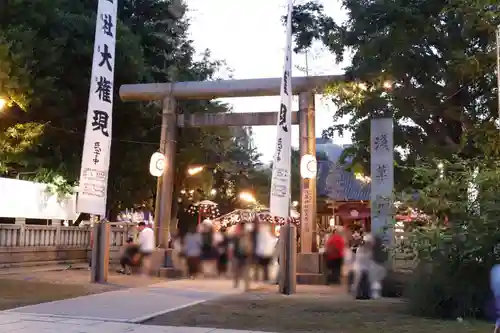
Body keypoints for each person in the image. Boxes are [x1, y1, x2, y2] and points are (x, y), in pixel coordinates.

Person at [231, 222, 253, 290]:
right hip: (239, 255)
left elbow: (250, 245)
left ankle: (245, 286)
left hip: (243, 255)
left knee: (244, 271)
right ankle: (238, 284)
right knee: (238, 271)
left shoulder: (246, 235)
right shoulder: (236, 236)